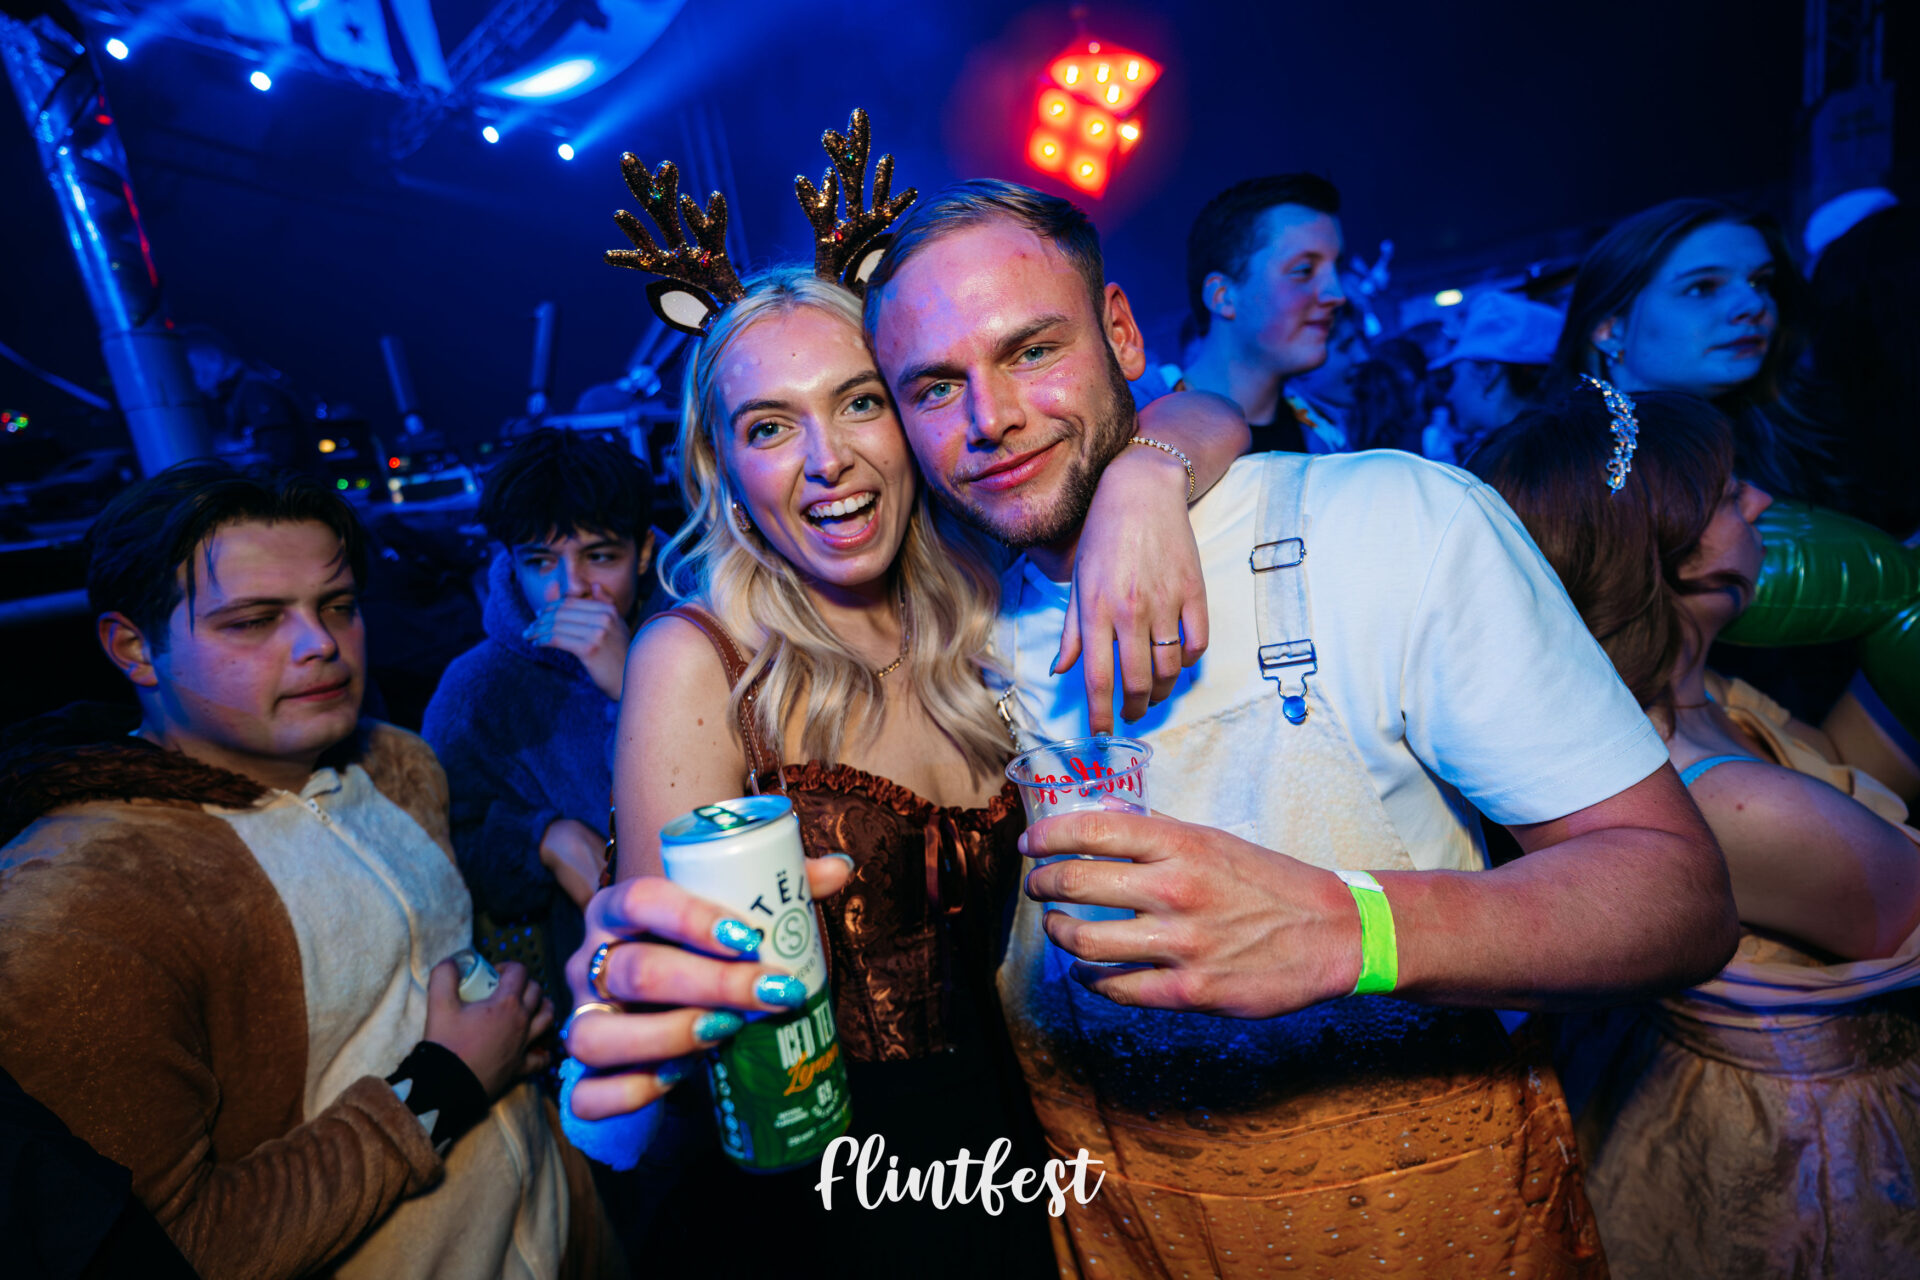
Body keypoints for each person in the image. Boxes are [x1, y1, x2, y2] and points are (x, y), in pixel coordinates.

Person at [849, 178, 1738, 1276]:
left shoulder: (1386, 523)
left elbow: (1679, 896)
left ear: (1121, 333)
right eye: (936, 386)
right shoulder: (948, 636)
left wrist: (1346, 927)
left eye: (1032, 350)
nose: (990, 418)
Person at [558, 117, 1246, 1277]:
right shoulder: (700, 657)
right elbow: (660, 992)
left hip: (1021, 1162)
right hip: (813, 1207)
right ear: (723, 470)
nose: (826, 459)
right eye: (770, 427)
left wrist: (1146, 475)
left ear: (918, 417)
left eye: (861, 401)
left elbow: (1213, 407)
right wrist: (615, 1014)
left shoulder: (987, 602)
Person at [0, 461, 615, 1279]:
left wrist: (505, 1024)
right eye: (255, 620)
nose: (320, 642)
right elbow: (172, 1252)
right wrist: (448, 1083)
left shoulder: (399, 764)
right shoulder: (75, 904)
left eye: (337, 606)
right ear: (134, 648)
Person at [1471, 385, 1920, 1279]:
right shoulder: (1730, 806)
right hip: (1808, 1159)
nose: (1761, 500)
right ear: (1668, 557)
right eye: (1725, 495)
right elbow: (1902, 907)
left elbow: (1830, 772)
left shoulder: (1678, 702)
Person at [424, 427, 659, 1009]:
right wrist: (539, 838)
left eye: (600, 556)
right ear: (512, 564)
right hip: (594, 989)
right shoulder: (478, 689)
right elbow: (441, 856)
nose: (570, 587)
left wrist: (636, 685)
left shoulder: (707, 640)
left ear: (644, 552)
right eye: (540, 561)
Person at [1549, 197, 1828, 505]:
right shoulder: (1555, 483)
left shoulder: (1797, 442)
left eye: (1760, 282)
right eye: (1702, 288)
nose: (1754, 305)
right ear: (1609, 329)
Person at [1176, 173, 1351, 453]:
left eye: (1336, 269)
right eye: (1304, 270)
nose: (1337, 295)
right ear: (1223, 297)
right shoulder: (1132, 435)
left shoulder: (1330, 442)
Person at [1430, 290, 1560, 461]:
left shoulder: (1507, 464)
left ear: (1489, 372)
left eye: (1454, 377)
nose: (1449, 395)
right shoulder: (1558, 447)